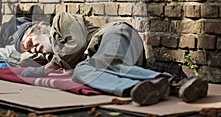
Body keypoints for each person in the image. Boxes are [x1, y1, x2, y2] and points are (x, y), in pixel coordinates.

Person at [13, 12, 208, 106]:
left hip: (117, 36)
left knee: (92, 65)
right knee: (81, 71)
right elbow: (24, 64)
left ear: (38, 28)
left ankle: (177, 81)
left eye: (30, 42)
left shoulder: (60, 21)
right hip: (114, 63)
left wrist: (51, 65)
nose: (33, 50)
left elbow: (79, 42)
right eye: (28, 50)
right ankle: (149, 87)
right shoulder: (50, 53)